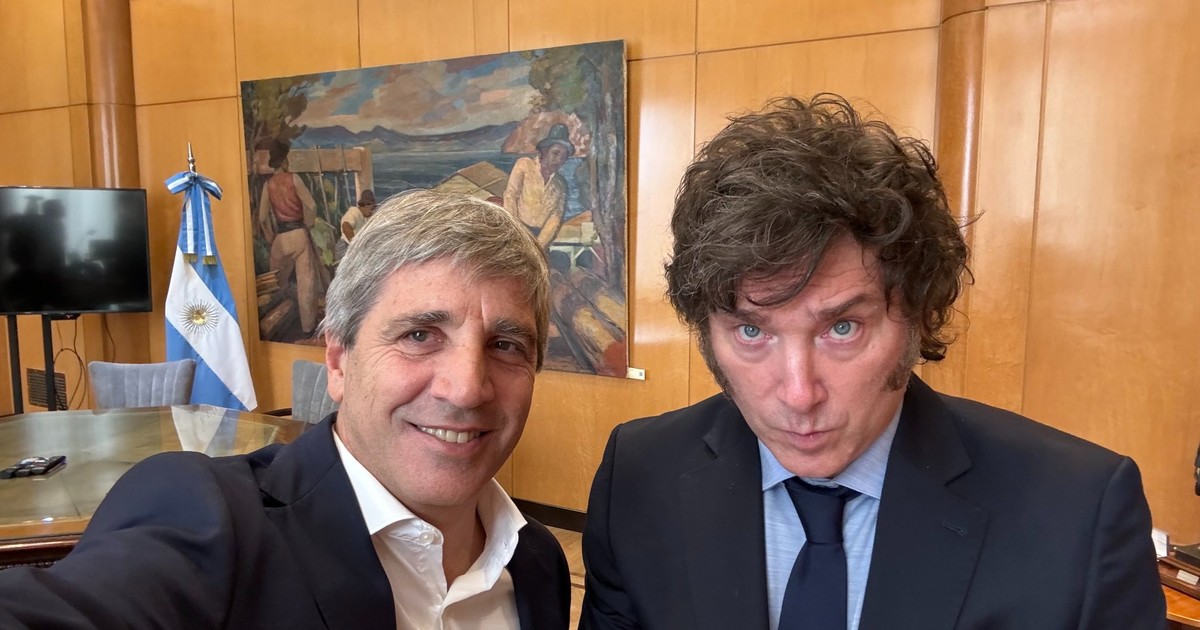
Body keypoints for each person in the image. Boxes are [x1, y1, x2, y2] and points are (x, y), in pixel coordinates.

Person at [580, 95, 1165, 629]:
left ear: (917, 314)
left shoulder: (1080, 511)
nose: (799, 394)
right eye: (752, 330)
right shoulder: (639, 476)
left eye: (842, 328)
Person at [0, 190, 571, 629]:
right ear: (338, 361)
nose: (467, 389)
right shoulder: (210, 521)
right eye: (419, 335)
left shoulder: (538, 564)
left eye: (506, 345)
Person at [256, 140, 329, 335]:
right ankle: (307, 328)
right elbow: (311, 205)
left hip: (280, 239)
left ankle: (273, 324)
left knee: (276, 284)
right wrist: (309, 223)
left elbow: (262, 217)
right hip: (298, 235)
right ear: (284, 161)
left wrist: (270, 237)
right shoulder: (294, 178)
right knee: (306, 284)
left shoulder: (268, 185)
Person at [504, 123, 574, 249]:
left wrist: (538, 247)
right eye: (555, 153)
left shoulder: (560, 185)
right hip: (515, 230)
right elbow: (511, 196)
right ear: (545, 151)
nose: (559, 160)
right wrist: (515, 232)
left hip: (539, 239)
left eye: (563, 157)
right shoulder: (524, 165)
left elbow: (555, 220)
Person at [335, 188, 375, 262]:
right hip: (345, 246)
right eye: (371, 209)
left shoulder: (364, 219)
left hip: (353, 248)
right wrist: (354, 243)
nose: (372, 211)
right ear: (366, 205)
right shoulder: (354, 212)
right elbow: (346, 225)